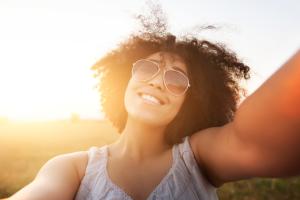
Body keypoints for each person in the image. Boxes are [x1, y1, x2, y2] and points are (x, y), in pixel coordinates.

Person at [5, 11, 300, 200]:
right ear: (125, 79)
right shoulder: (73, 167)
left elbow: (260, 142)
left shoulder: (197, 157)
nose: (158, 82)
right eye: (148, 69)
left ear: (191, 101)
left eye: (176, 79)